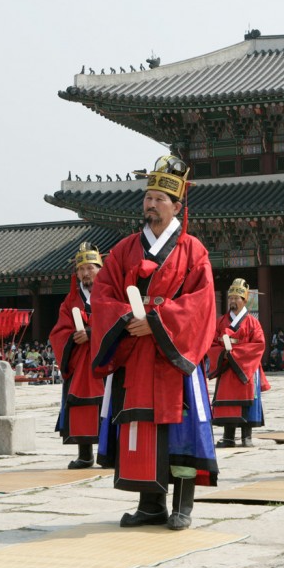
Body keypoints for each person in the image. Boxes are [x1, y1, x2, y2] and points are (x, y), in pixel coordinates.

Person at [90, 155, 218, 531]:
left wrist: (157, 322)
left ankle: (182, 505)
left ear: (177, 206)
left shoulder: (193, 250)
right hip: (136, 351)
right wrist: (130, 319)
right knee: (141, 428)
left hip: (173, 354)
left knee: (182, 427)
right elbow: (103, 295)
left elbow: (202, 302)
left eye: (159, 198)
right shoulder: (124, 250)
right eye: (147, 197)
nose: (150, 203)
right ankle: (150, 504)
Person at [49, 241, 107, 469]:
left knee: (108, 406)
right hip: (80, 363)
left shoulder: (110, 295)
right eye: (81, 269)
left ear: (100, 269)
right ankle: (85, 454)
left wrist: (92, 333)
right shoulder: (70, 302)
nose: (85, 273)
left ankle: (109, 453)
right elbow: (58, 332)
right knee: (81, 407)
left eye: (90, 268)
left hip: (105, 360)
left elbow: (119, 320)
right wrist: (74, 336)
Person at [208, 278, 266, 447]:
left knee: (247, 401)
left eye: (236, 298)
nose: (232, 301)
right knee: (227, 401)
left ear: (244, 300)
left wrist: (235, 354)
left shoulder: (253, 323)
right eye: (230, 298)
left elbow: (258, 345)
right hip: (226, 366)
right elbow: (211, 343)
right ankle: (228, 436)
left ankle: (246, 437)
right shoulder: (220, 321)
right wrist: (221, 354)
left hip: (246, 368)